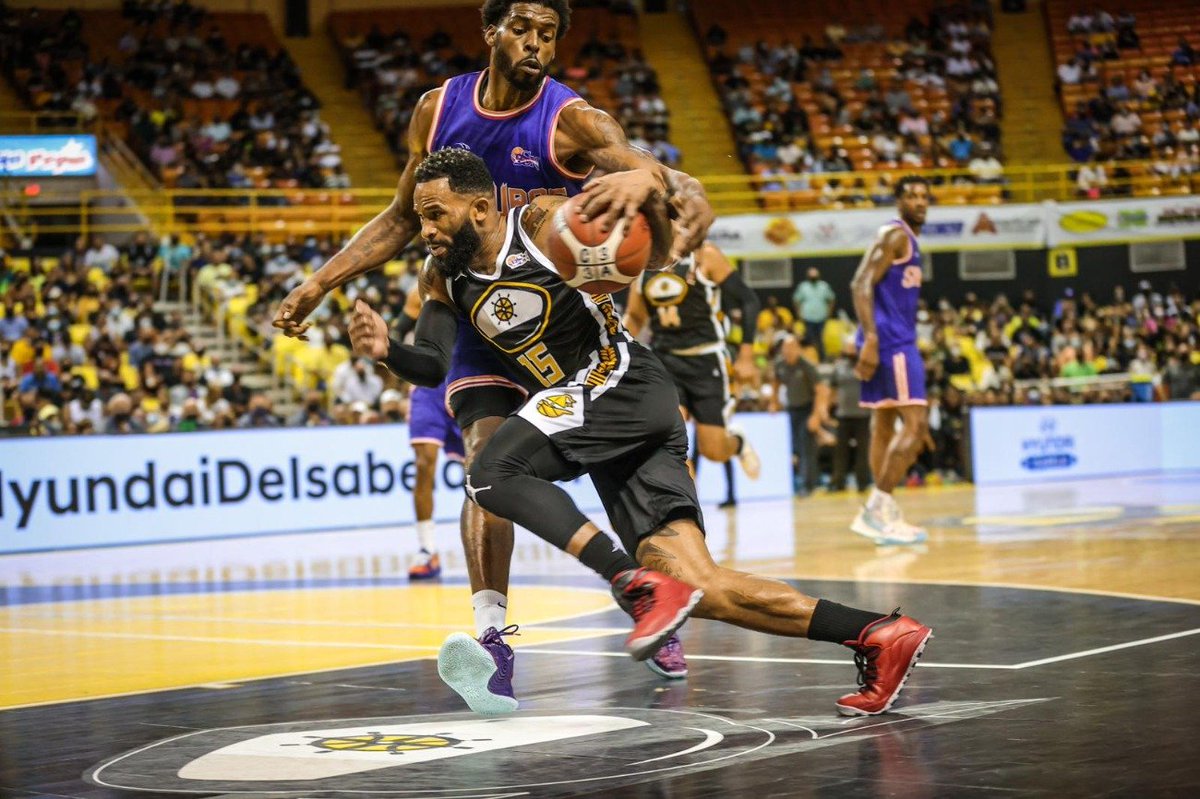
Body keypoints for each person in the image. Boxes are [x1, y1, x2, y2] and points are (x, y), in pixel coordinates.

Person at [349, 148, 934, 717]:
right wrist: (386, 350)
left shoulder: (540, 223)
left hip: (616, 380)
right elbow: (432, 363)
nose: (425, 230)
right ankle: (879, 635)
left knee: (490, 473)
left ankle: (628, 580)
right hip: (611, 416)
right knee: (699, 585)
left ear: (480, 209)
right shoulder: (441, 276)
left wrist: (647, 189)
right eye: (421, 217)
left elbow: (648, 246)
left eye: (435, 214)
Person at [272, 0, 715, 713]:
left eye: (548, 34)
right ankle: (492, 639)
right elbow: (400, 216)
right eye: (522, 29)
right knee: (484, 463)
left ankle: (649, 597)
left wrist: (672, 187)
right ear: (490, 31)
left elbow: (651, 175)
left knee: (613, 466)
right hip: (478, 313)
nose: (535, 43)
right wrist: (320, 283)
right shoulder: (437, 110)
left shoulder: (574, 120)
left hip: (560, 312)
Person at [623, 240, 763, 495]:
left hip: (707, 360)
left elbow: (749, 301)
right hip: (666, 361)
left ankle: (738, 442)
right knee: (670, 436)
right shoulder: (642, 259)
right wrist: (617, 349)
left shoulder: (704, 254)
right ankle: (685, 504)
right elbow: (635, 316)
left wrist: (746, 355)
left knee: (714, 451)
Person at [849, 175, 932, 546]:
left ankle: (882, 515)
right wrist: (871, 338)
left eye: (924, 196)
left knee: (883, 423)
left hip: (888, 339)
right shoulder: (896, 235)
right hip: (893, 343)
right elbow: (860, 283)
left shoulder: (904, 238)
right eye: (912, 196)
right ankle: (877, 508)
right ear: (899, 201)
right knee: (916, 424)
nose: (920, 202)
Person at [396, 284, 470, 580]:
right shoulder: (419, 292)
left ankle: (485, 540)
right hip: (428, 388)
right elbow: (398, 335)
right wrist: (400, 379)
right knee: (424, 465)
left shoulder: (474, 283)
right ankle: (427, 549)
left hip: (466, 378)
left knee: (479, 470)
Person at [793, 267, 836, 359]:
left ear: (818, 276)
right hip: (808, 318)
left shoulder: (824, 286)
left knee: (820, 338)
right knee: (809, 338)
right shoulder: (803, 287)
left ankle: (822, 358)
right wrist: (799, 313)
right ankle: (811, 358)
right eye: (811, 275)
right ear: (808, 276)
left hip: (821, 317)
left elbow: (832, 299)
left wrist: (829, 312)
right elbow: (796, 300)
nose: (813, 277)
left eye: (815, 275)